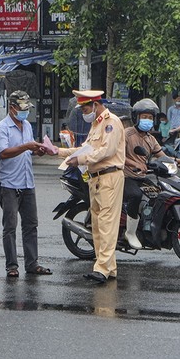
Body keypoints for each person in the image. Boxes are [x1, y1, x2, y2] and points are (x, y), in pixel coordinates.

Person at [58, 90, 126, 284]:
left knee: (106, 224)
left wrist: (80, 159)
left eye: (86, 108)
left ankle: (102, 269)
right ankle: (108, 267)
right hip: (95, 179)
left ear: (95, 104)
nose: (84, 112)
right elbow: (84, 148)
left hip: (109, 177)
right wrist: (58, 151)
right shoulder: (95, 125)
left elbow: (107, 150)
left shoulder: (111, 122)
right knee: (97, 225)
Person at [0, 90, 52, 278]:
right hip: (9, 185)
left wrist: (37, 151)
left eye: (27, 108)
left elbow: (27, 151)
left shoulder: (26, 125)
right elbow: (3, 153)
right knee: (10, 227)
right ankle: (11, 266)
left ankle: (32, 263)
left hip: (27, 182)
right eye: (22, 108)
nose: (26, 112)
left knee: (31, 225)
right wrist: (27, 146)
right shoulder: (2, 128)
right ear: (12, 108)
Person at [123, 99, 180, 249]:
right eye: (144, 117)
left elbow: (161, 155)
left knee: (159, 196)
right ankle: (130, 233)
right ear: (136, 117)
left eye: (150, 118)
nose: (147, 120)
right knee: (135, 195)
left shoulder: (150, 138)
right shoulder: (127, 134)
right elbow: (117, 156)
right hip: (125, 177)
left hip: (141, 177)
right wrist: (135, 163)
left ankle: (147, 228)